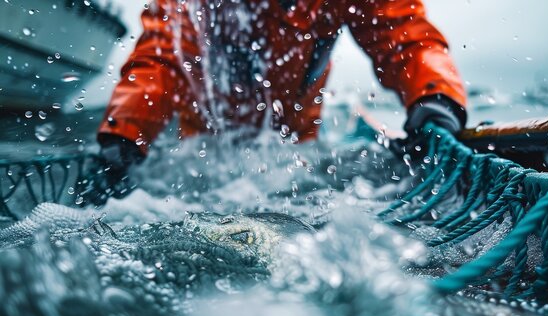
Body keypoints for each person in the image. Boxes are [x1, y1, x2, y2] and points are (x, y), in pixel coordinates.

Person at [82, 0, 467, 205]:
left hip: (293, 153)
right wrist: (126, 133)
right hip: (202, 153)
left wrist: (434, 97)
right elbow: (161, 57)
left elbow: (403, 35)